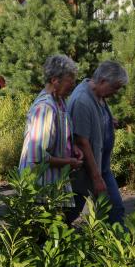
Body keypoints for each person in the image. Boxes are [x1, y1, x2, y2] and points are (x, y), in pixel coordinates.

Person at [67, 60, 128, 225]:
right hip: (87, 171)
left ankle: (116, 247)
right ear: (102, 81)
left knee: (115, 210)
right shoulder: (82, 101)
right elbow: (82, 141)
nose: (115, 93)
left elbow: (94, 119)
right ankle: (42, 242)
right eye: (114, 88)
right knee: (69, 212)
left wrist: (108, 120)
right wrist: (96, 178)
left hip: (102, 167)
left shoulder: (98, 94)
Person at [18, 55, 83, 208]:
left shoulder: (60, 102)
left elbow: (60, 134)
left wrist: (71, 146)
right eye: (70, 80)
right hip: (40, 188)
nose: (73, 84)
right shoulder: (45, 108)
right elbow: (37, 155)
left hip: (53, 185)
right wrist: (69, 162)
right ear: (55, 80)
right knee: (45, 230)